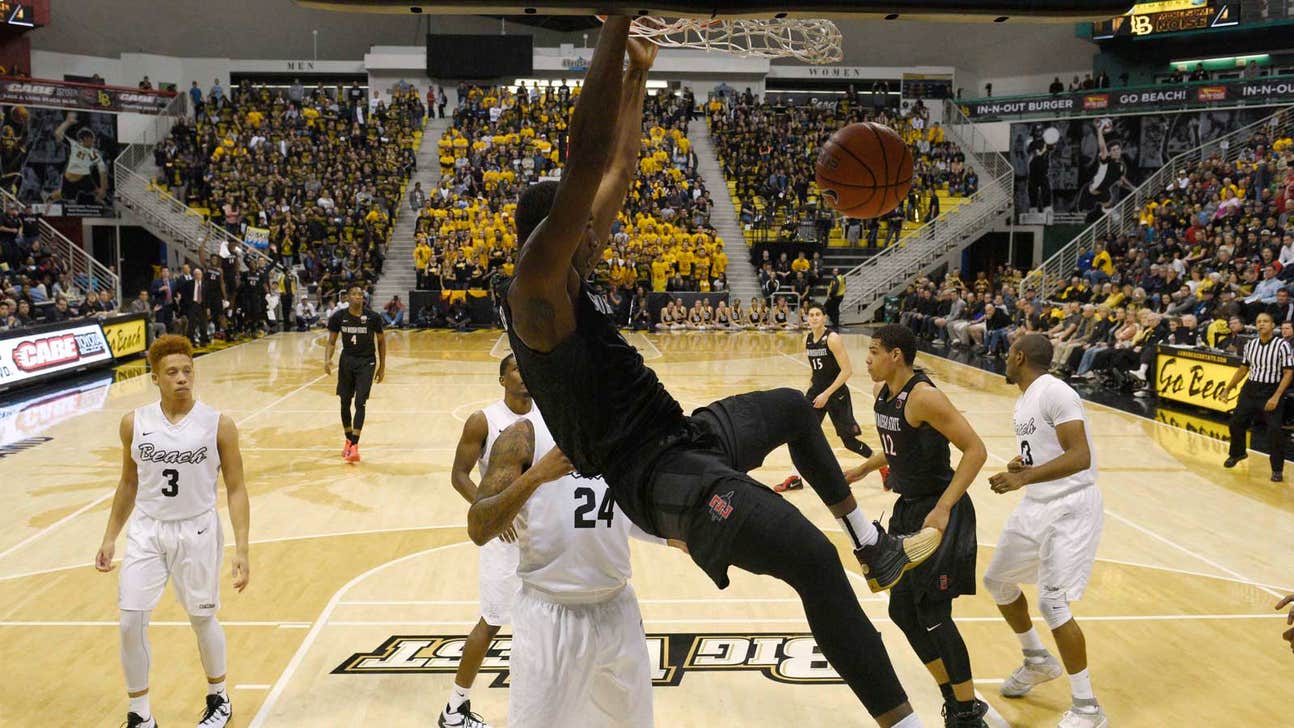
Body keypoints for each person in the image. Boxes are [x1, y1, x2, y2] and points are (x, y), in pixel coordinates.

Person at [502, 21, 935, 727]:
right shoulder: (534, 296)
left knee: (797, 410)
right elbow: (586, 163)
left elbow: (617, 173)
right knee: (812, 567)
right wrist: (615, 22)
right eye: (581, 226)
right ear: (550, 236)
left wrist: (639, 75)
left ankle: (872, 543)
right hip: (655, 479)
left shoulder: (567, 271)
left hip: (681, 436)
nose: (596, 230)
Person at [461, 354, 671, 727]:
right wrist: (537, 476)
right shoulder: (523, 435)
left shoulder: (621, 436)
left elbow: (633, 512)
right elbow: (478, 527)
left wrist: (679, 537)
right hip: (548, 612)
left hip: (616, 607)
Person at [95, 335, 250, 728]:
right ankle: (140, 714)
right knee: (130, 620)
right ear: (155, 378)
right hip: (147, 530)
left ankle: (219, 697)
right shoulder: (134, 422)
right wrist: (110, 536)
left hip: (197, 530)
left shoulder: (219, 424)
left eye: (187, 371)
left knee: (202, 619)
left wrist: (242, 549)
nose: (182, 378)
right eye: (172, 372)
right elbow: (128, 483)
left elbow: (236, 487)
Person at [843, 325, 991, 726]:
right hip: (908, 509)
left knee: (934, 611)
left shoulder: (924, 397)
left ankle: (966, 715)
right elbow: (896, 447)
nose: (867, 360)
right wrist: (860, 469)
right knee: (903, 611)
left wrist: (943, 508)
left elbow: (976, 450)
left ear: (896, 355)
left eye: (873, 352)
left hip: (941, 512)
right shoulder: (881, 395)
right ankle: (955, 695)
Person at [985, 334, 1108, 728]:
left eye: (1008, 354)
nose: (1005, 359)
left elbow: (1080, 455)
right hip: (1037, 503)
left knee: (1052, 603)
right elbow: (1049, 450)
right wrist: (1025, 466)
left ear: (1019, 357)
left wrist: (1026, 477)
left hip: (1071, 508)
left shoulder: (1056, 392)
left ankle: (1089, 708)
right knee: (997, 582)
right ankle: (1037, 660)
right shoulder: (1027, 397)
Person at [1221, 311, 1293, 482]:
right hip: (1250, 388)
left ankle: (1277, 469)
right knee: (1236, 423)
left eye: (1266, 321)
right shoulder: (1250, 344)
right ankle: (1238, 453)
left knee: (1274, 431)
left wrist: (1276, 397)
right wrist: (1228, 388)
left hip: (1271, 389)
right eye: (1259, 321)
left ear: (1272, 325)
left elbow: (1289, 372)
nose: (1261, 324)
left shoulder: (1282, 345)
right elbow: (1243, 368)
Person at [324, 286, 386, 463]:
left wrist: (382, 366)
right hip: (347, 361)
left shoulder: (373, 317)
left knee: (360, 402)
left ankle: (355, 446)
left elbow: (381, 342)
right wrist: (327, 359)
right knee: (345, 402)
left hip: (367, 362)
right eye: (354, 294)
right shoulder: (339, 317)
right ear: (347, 297)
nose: (358, 297)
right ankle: (348, 439)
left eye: (360, 294)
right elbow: (331, 342)